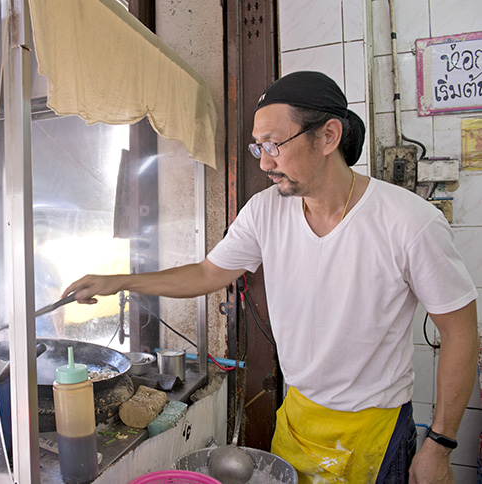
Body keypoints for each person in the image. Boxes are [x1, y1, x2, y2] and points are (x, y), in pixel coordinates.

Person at [62, 71, 479, 483]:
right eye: (258, 147)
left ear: (329, 135)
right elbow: (209, 273)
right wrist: (119, 281)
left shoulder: (409, 222)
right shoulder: (264, 210)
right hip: (297, 416)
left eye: (275, 145)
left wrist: (440, 444)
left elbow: (460, 332)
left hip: (377, 427)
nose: (264, 162)